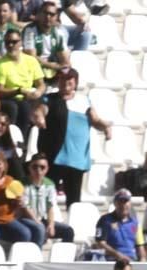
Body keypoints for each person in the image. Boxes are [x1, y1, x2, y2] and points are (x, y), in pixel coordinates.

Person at [32, 67, 111, 207]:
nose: (65, 82)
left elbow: (95, 120)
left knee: (74, 201)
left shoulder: (84, 101)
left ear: (75, 82)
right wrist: (39, 117)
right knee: (46, 198)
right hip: (54, 157)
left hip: (76, 158)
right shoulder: (50, 98)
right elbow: (40, 110)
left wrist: (105, 127)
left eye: (69, 79)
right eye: (62, 79)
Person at [0, 28, 45, 141]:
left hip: (30, 97)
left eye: (14, 42)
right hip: (11, 97)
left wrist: (38, 92)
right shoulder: (0, 64)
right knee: (19, 107)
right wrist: (19, 91)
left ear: (20, 42)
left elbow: (41, 84)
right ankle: (18, 142)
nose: (11, 45)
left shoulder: (31, 61)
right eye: (8, 42)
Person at [21, 153, 74, 243]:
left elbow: (50, 207)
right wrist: (39, 223)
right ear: (29, 167)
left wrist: (51, 225)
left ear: (47, 169)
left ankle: (63, 257)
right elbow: (25, 207)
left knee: (68, 231)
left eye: (42, 167)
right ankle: (36, 256)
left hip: (42, 219)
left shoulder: (49, 184)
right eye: (35, 167)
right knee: (40, 229)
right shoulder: (21, 183)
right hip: (25, 220)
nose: (38, 170)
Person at [91, 188, 145, 261]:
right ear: (115, 203)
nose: (123, 205)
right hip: (111, 261)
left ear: (130, 203)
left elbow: (140, 246)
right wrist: (119, 256)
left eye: (125, 201)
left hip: (131, 261)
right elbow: (100, 243)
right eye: (120, 201)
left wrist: (142, 260)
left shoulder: (135, 223)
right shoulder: (105, 220)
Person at [22, 2, 70, 83]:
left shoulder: (58, 32)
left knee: (70, 73)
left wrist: (61, 66)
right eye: (45, 13)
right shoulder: (30, 30)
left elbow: (64, 60)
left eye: (51, 14)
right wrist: (51, 65)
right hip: (34, 68)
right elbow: (31, 57)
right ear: (39, 14)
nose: (48, 17)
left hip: (53, 67)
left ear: (56, 17)